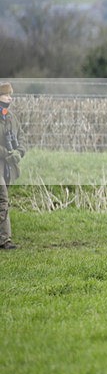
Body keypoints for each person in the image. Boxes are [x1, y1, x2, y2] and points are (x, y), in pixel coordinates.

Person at [0, 82, 25, 250]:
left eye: (10, 95)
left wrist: (19, 152)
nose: (10, 98)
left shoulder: (11, 117)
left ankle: (4, 239)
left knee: (3, 200)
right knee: (3, 199)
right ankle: (5, 240)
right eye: (6, 95)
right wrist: (7, 153)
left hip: (8, 166)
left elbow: (22, 138)